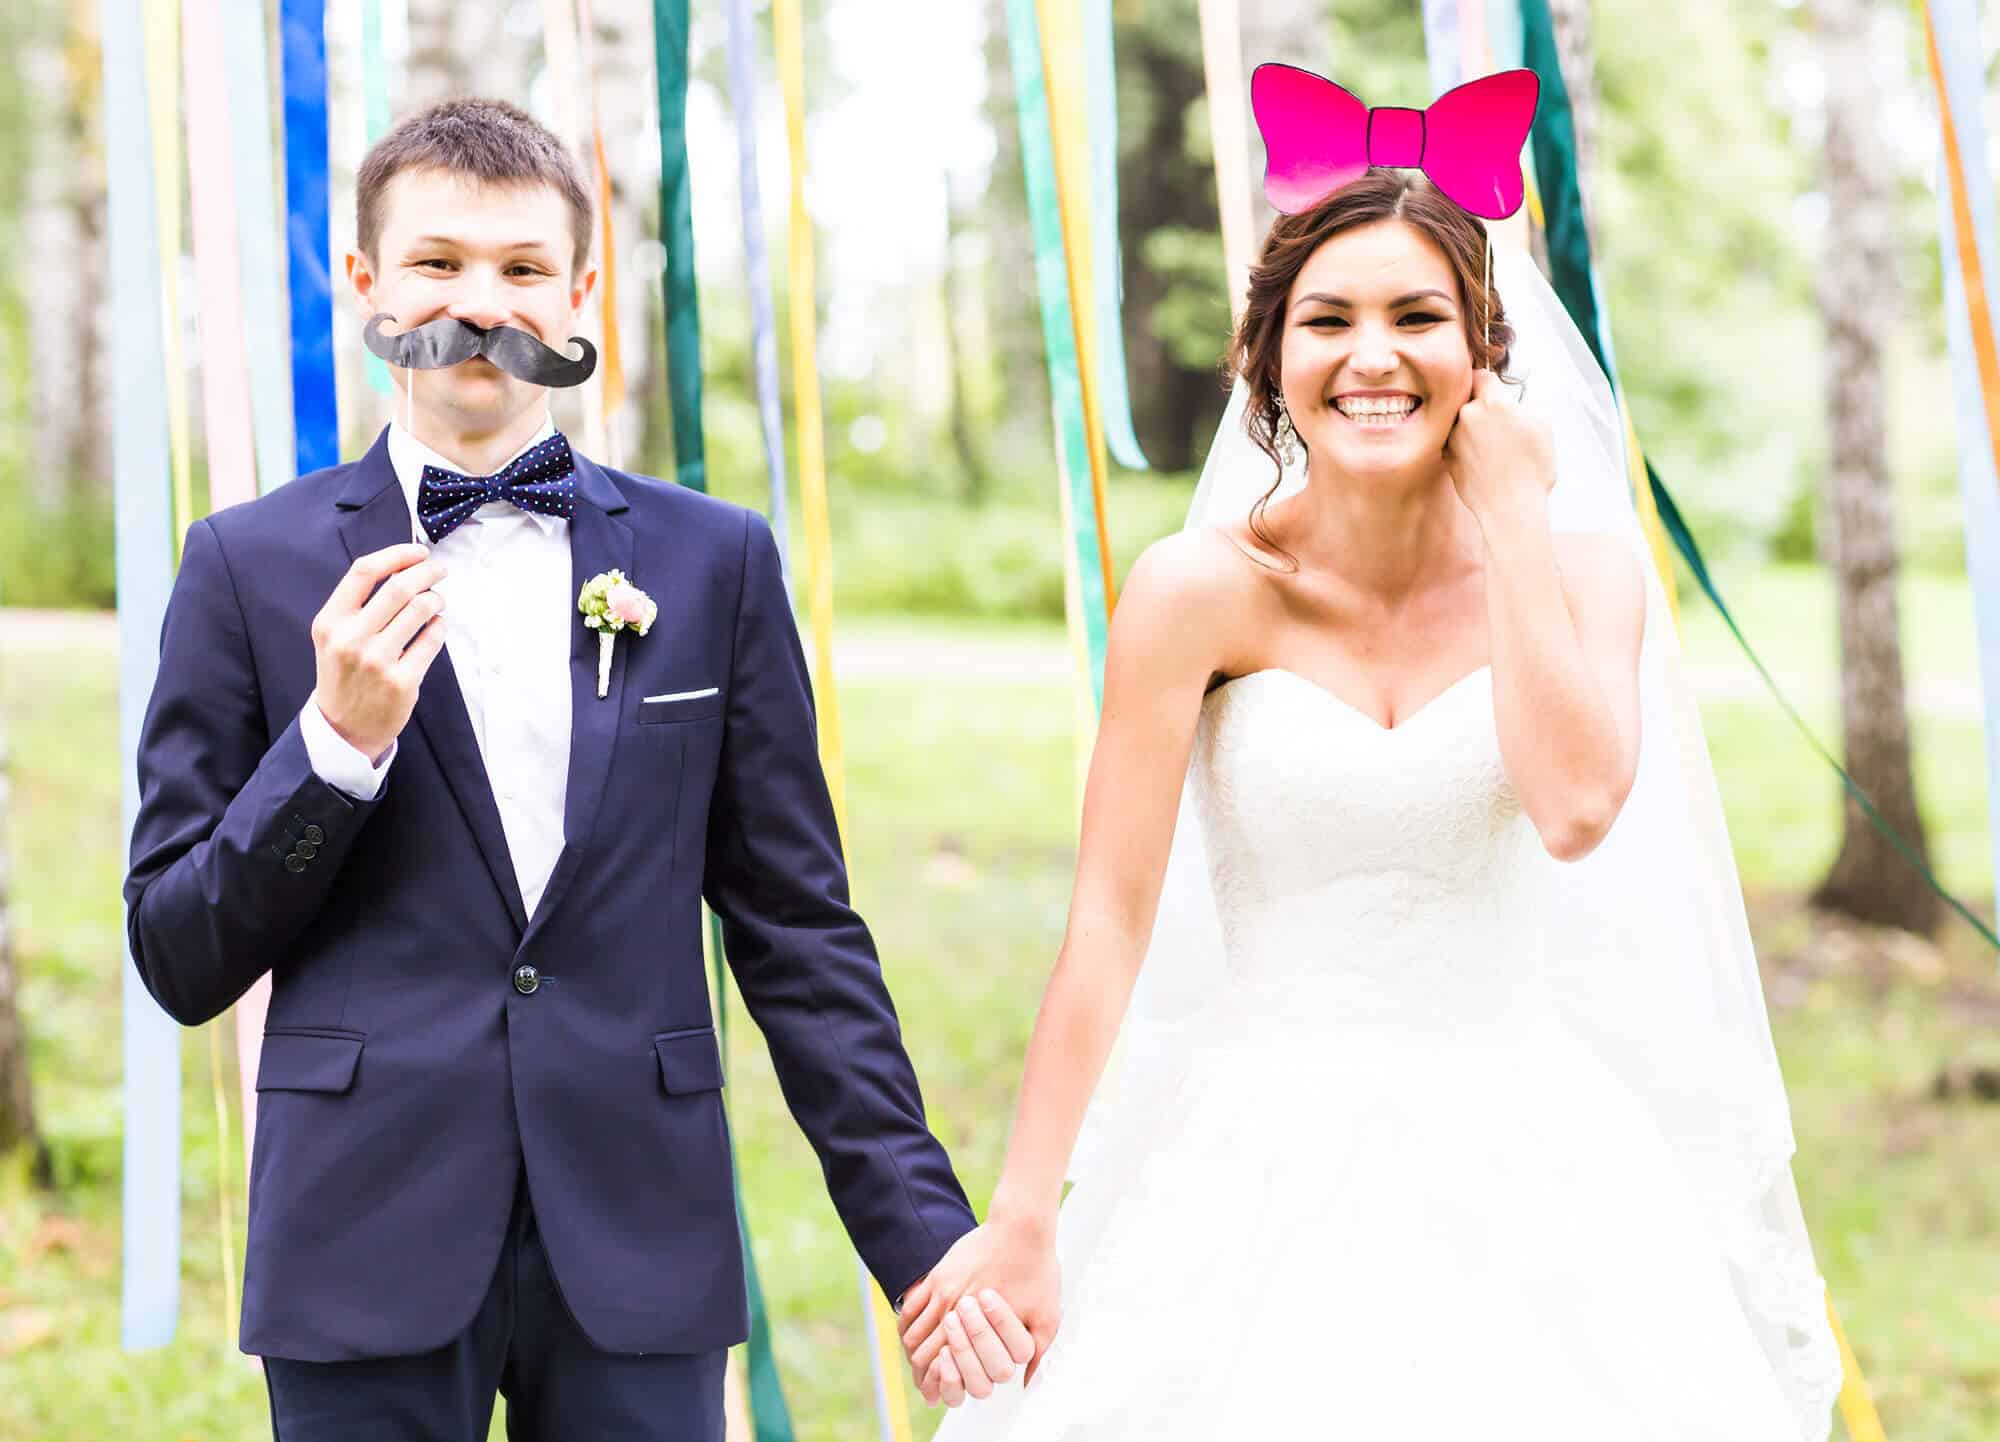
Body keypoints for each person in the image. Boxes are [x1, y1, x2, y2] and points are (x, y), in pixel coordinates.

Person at [897, 69, 1840, 1440]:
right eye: (1328, 319)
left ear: (1481, 352)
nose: (1372, 355)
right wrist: (1028, 1214)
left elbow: (1578, 804)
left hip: (1527, 1161)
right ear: (1270, 355)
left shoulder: (1585, 568)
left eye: (1417, 317)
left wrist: (1515, 516)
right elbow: (1108, 915)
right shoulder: (1195, 591)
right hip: (1249, 1154)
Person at [122, 97, 1031, 1442]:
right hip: (359, 1235)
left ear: (580, 292)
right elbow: (176, 949)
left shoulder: (712, 562)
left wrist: (920, 1232)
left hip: (638, 1236)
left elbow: (798, 930)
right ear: (366, 284)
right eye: (437, 263)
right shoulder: (245, 566)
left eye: (521, 269)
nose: (480, 304)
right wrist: (332, 749)